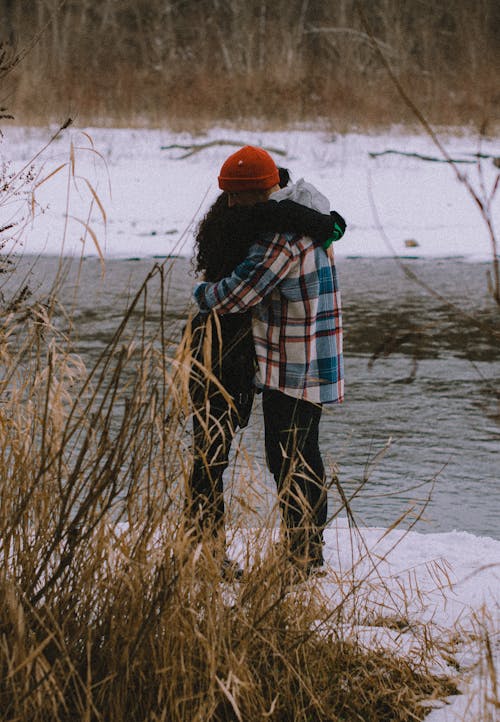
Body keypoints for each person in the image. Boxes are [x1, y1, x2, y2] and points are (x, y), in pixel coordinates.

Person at [187, 161, 344, 579]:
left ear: (261, 191)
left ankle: (302, 560)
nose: (232, 203)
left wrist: (201, 292)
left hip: (290, 364)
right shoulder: (313, 222)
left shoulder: (281, 240)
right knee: (302, 455)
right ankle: (306, 554)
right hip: (314, 356)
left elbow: (236, 294)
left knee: (289, 459)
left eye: (237, 194)